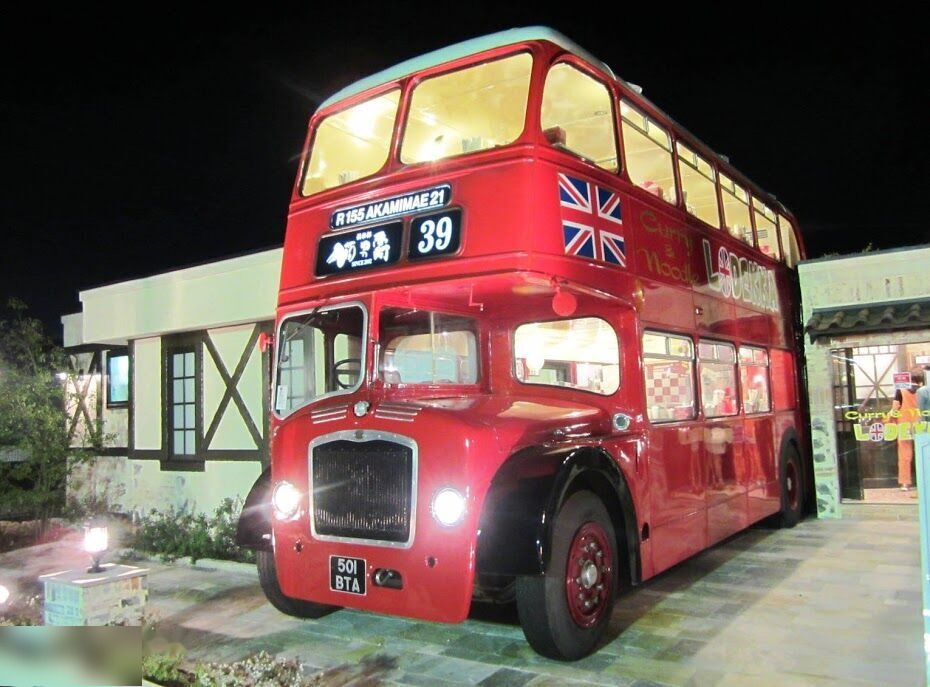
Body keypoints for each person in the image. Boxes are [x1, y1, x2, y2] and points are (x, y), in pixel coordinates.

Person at [892, 371, 923, 490]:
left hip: (904, 425)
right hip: (921, 425)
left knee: (905, 455)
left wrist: (892, 422)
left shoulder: (901, 391)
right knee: (924, 453)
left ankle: (905, 483)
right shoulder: (924, 391)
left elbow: (895, 409)